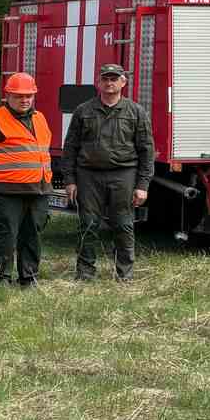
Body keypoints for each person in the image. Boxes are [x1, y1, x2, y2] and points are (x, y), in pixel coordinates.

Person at [64, 63, 154, 281]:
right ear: (99, 82)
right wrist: (70, 180)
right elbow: (70, 148)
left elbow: (146, 150)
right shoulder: (83, 111)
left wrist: (142, 185)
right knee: (88, 225)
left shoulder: (136, 112)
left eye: (114, 79)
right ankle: (85, 273)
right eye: (105, 79)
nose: (109, 83)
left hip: (123, 174)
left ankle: (124, 274)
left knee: (123, 224)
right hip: (88, 175)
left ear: (123, 82)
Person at [0, 72, 53, 287]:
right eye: (19, 96)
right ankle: (0, 279)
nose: (24, 100)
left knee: (32, 235)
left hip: (38, 189)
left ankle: (29, 278)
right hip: (7, 192)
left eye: (28, 96)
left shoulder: (40, 118)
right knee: (4, 236)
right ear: (8, 96)